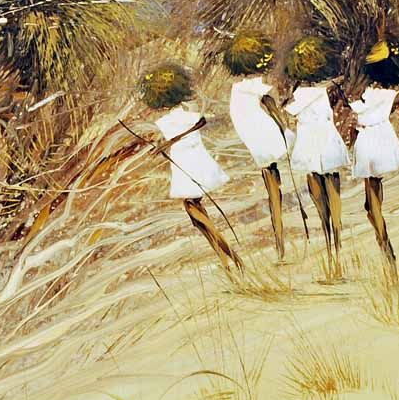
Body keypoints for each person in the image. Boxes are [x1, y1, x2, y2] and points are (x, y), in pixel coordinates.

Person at [140, 63, 243, 272]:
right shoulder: (185, 115)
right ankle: (225, 260)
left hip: (187, 163)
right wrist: (164, 145)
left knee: (193, 209)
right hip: (194, 161)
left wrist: (167, 143)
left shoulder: (168, 120)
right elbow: (199, 123)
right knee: (197, 217)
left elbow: (195, 126)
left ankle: (231, 255)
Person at [349, 36, 399, 273]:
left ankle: (385, 246)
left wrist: (349, 101)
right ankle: (384, 242)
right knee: (374, 191)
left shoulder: (373, 93)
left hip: (370, 139)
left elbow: (360, 113)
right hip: (383, 138)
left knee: (372, 198)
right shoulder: (389, 92)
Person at [225, 33, 294, 261]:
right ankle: (279, 240)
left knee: (272, 185)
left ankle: (280, 240)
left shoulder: (238, 87)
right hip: (263, 136)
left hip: (258, 138)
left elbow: (265, 105)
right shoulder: (252, 85)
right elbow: (270, 105)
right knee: (274, 185)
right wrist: (283, 126)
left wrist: (281, 126)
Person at [284, 36, 349, 277]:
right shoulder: (326, 90)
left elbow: (288, 111)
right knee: (334, 200)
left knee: (322, 205)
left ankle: (331, 246)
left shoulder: (300, 95)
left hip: (310, 149)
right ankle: (337, 247)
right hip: (327, 147)